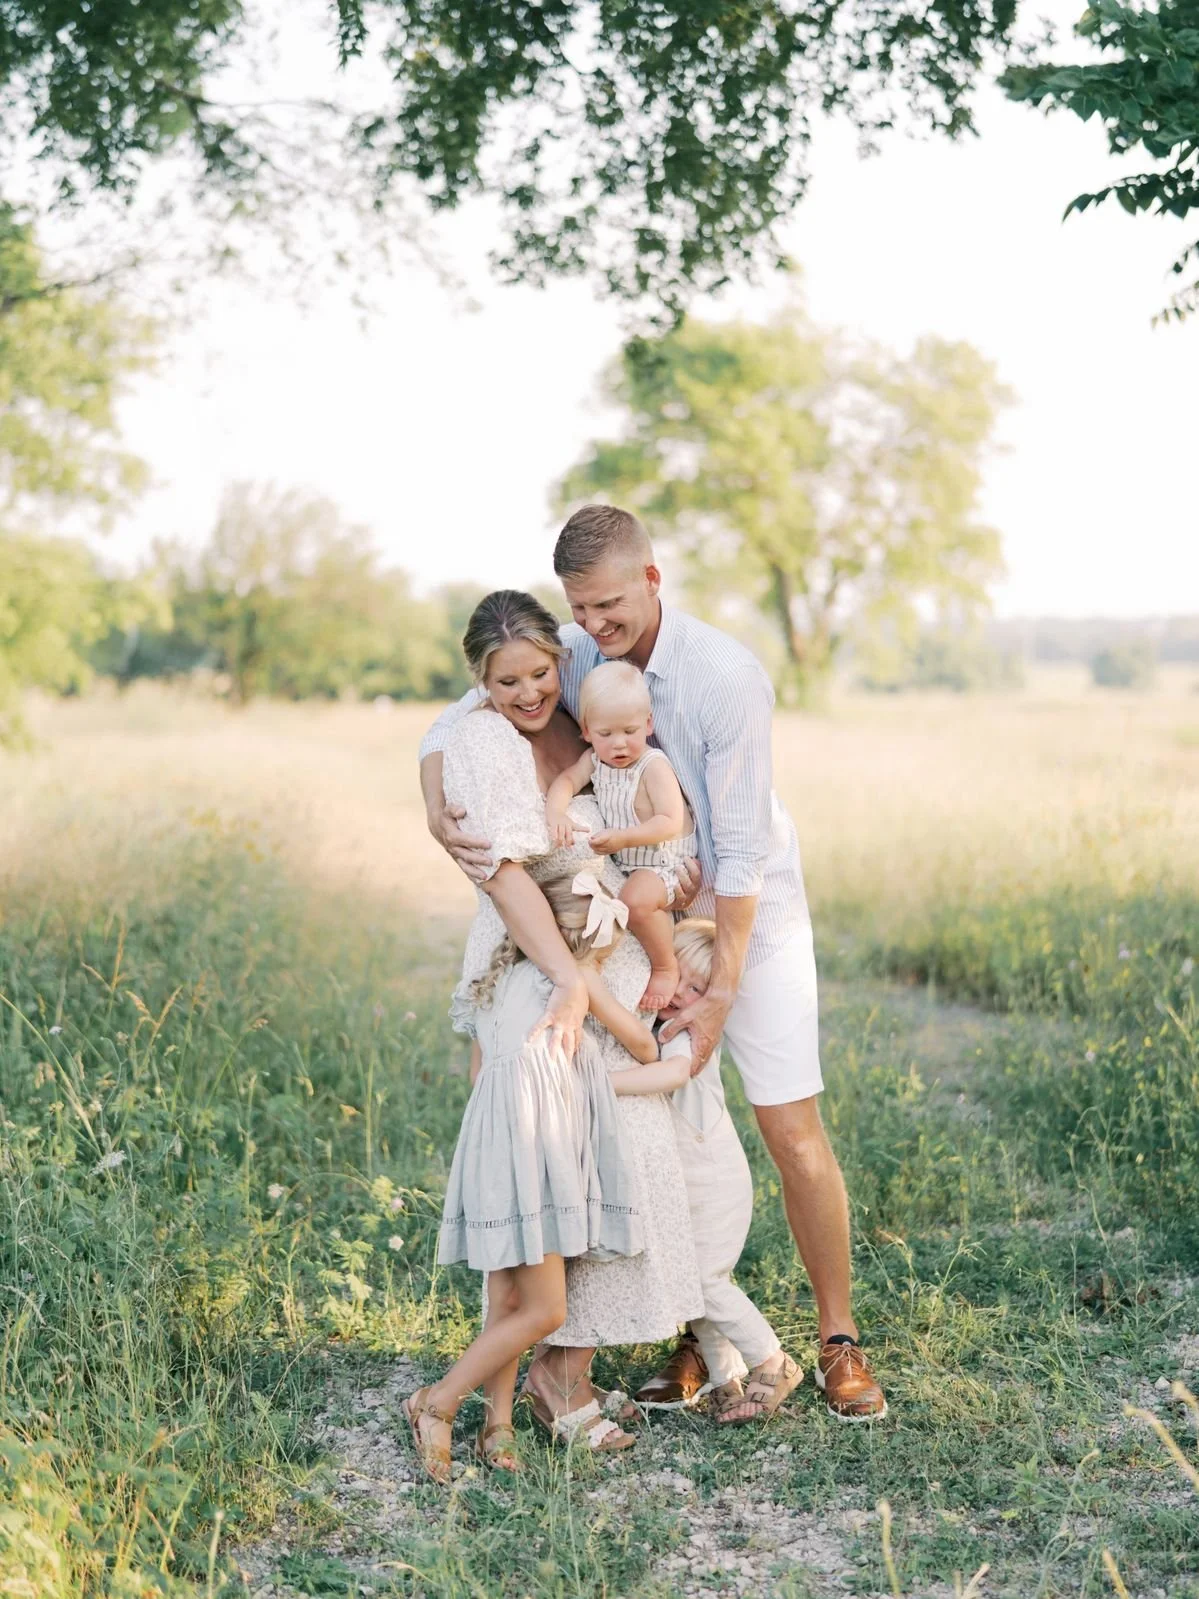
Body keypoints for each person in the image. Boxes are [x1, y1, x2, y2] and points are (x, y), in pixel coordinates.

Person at [421, 510, 887, 1422]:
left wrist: (716, 993)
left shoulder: (724, 677)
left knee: (790, 1128)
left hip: (748, 917)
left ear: (653, 578)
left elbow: (743, 850)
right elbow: (477, 690)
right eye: (579, 610)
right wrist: (433, 789)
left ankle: (836, 1340)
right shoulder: (577, 647)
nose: (593, 627)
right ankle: (700, 1335)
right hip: (649, 925)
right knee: (673, 1128)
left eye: (608, 605)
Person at [419, 588, 703, 1450]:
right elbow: (505, 872)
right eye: (508, 680)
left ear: (561, 657)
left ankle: (546, 1384)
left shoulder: (589, 702)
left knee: (612, 1174)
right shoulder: (476, 738)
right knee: (555, 1185)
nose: (530, 690)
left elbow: (647, 803)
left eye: (541, 671)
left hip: (605, 963)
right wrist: (433, 798)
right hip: (550, 971)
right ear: (481, 680)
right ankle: (541, 1384)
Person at [406, 871, 652, 1481]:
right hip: (534, 1155)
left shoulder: (495, 985)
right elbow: (644, 1049)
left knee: (505, 1301)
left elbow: (481, 1077)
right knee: (543, 1310)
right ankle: (435, 1403)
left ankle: (499, 1425)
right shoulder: (568, 984)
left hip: (496, 1155)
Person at [654, 919, 802, 1425]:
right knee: (691, 1284)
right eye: (676, 977)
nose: (682, 994)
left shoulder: (687, 1035)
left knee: (705, 1281)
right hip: (680, 1183)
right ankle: (725, 1378)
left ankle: (772, 1360)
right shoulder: (655, 1021)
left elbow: (665, 1072)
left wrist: (600, 1082)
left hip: (714, 1182)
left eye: (699, 989)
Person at [545, 659, 698, 1011]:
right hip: (632, 860)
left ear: (648, 724)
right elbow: (567, 781)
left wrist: (624, 838)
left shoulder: (652, 765)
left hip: (665, 860)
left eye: (629, 731)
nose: (619, 744)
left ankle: (665, 966)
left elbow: (670, 820)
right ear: (586, 730)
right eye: (606, 734)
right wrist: (555, 812)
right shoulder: (594, 760)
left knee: (636, 900)